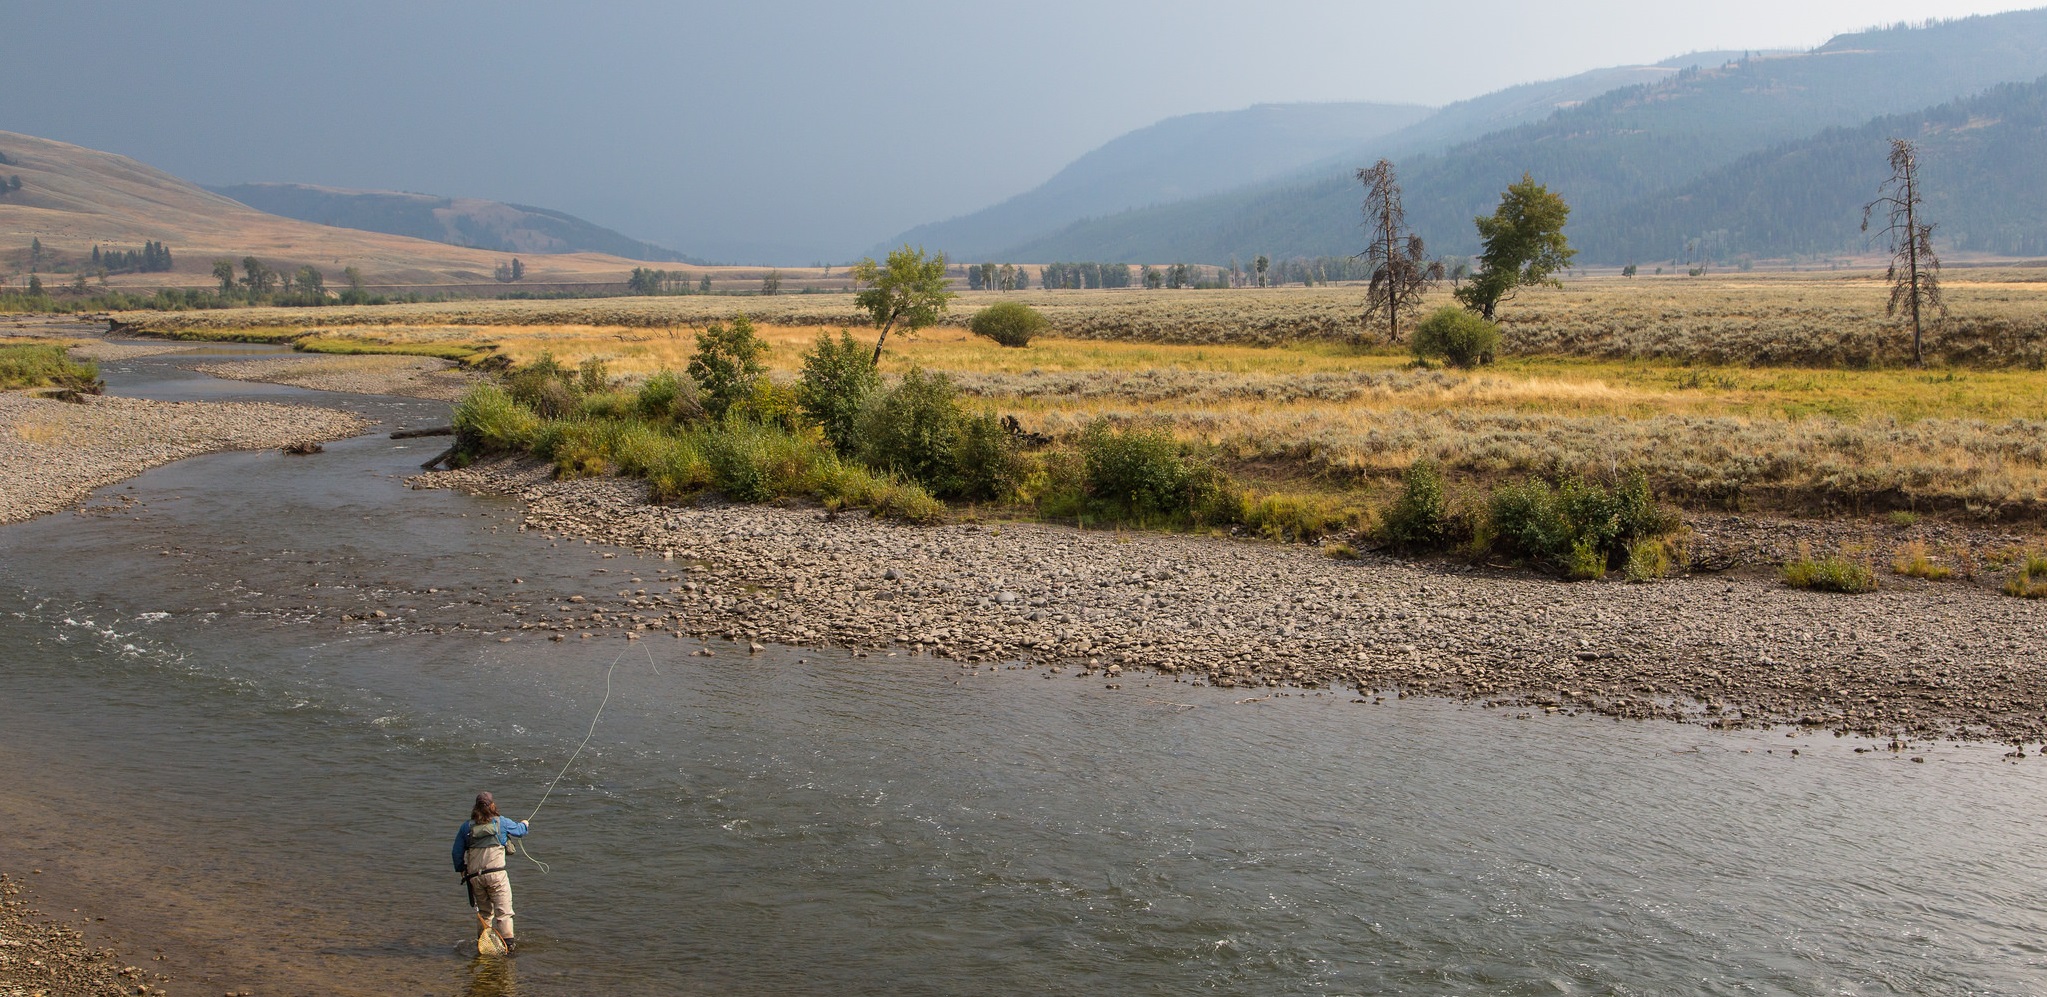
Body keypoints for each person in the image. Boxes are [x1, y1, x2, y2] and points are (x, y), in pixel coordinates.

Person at [453, 791, 530, 953]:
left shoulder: (466, 827)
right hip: (496, 876)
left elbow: (456, 853)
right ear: (492, 805)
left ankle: (484, 945)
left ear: (475, 807)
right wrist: (525, 824)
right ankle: (509, 947)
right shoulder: (501, 823)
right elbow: (520, 831)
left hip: (475, 878)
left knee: (485, 913)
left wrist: (461, 869)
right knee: (504, 913)